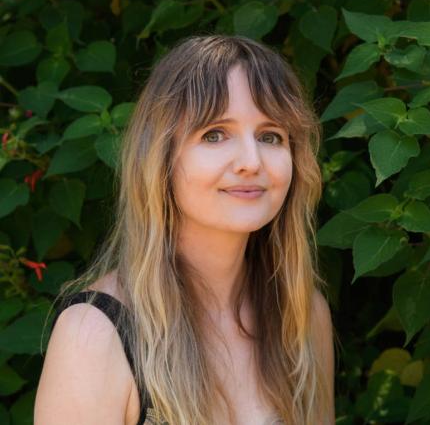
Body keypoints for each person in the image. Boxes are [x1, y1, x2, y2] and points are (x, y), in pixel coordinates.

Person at [34, 36, 334, 425]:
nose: (251, 161)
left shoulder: (302, 314)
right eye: (214, 134)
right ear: (161, 158)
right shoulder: (95, 334)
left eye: (270, 136)